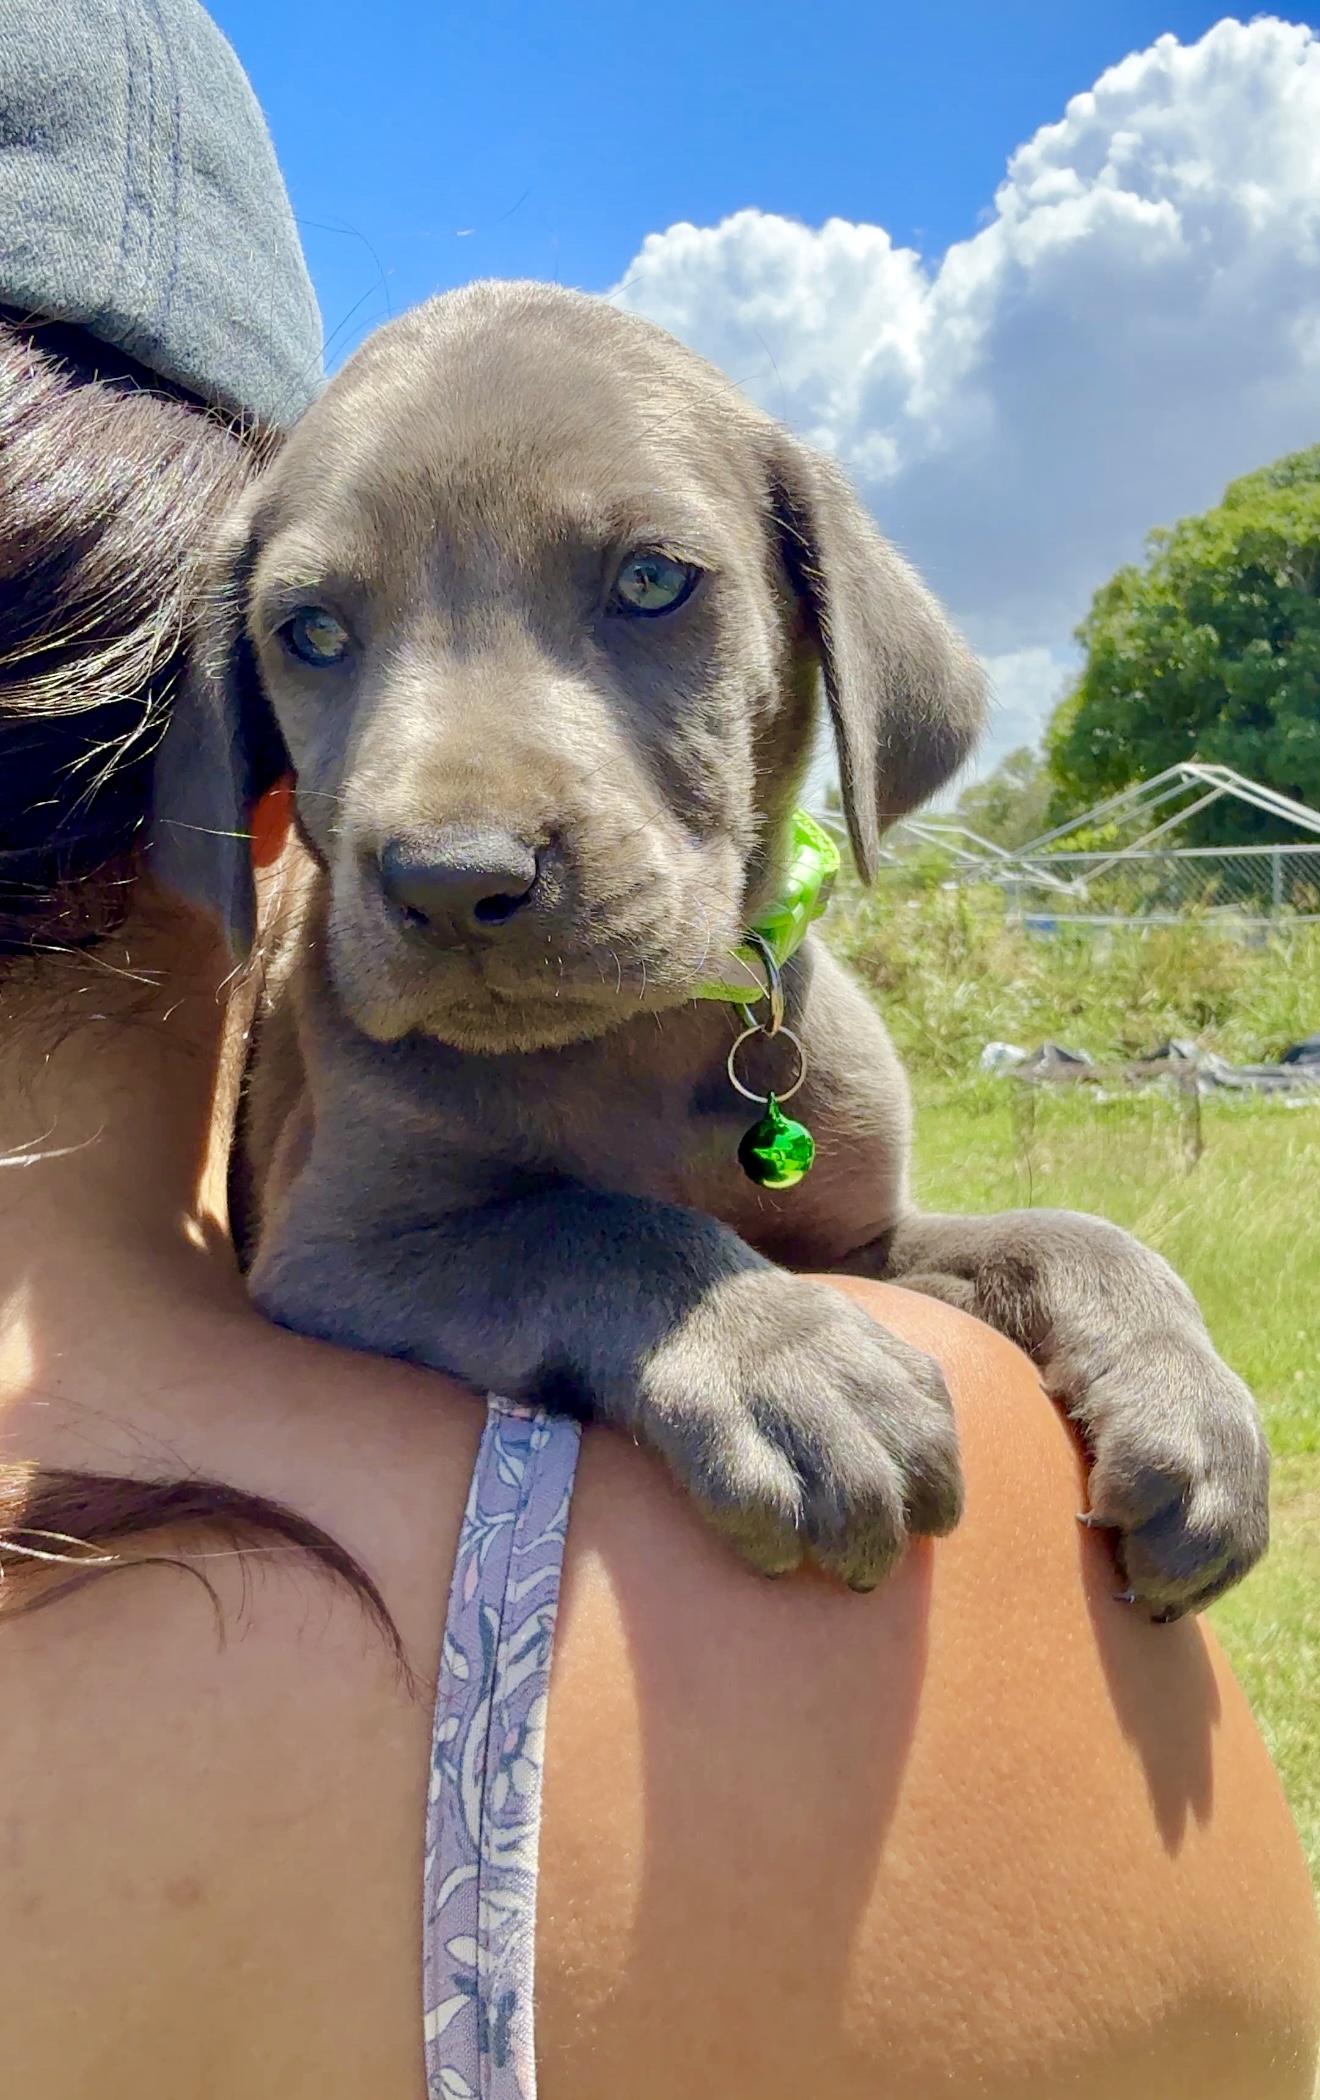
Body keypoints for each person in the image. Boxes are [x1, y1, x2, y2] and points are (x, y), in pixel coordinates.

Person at [1, 5, 1316, 2096]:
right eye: (322, 639)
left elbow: (866, 1268)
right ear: (235, 750)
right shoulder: (381, 1042)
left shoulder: (810, 1051)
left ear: (821, 647)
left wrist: (1093, 1287)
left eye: (643, 589)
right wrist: (657, 1294)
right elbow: (341, 1265)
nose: (435, 816)